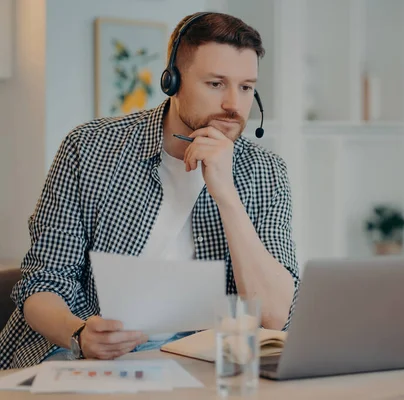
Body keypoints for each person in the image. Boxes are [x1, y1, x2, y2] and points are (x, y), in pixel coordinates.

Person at [0, 12, 300, 369]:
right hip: (76, 358)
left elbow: (274, 317)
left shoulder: (265, 171)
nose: (234, 105)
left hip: (197, 365)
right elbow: (42, 283)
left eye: (246, 87)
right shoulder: (89, 148)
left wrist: (226, 194)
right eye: (216, 84)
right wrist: (78, 333)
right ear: (172, 82)